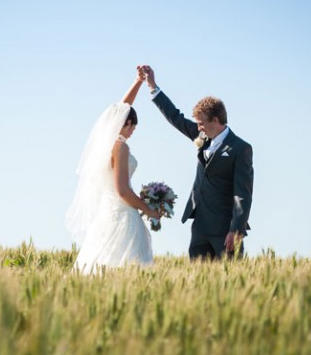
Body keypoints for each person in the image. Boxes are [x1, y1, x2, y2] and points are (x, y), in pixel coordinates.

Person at [140, 65, 254, 260]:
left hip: (224, 230)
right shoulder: (202, 136)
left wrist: (236, 230)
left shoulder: (240, 148)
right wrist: (152, 86)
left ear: (216, 120)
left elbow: (242, 194)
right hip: (199, 226)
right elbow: (175, 117)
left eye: (201, 123)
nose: (198, 127)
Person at [65, 70, 161, 273]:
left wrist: (137, 82)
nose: (133, 131)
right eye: (133, 127)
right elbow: (123, 191)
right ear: (127, 124)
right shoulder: (121, 147)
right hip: (123, 216)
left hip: (106, 215)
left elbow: (121, 109)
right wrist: (148, 208)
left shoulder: (105, 145)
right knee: (129, 269)